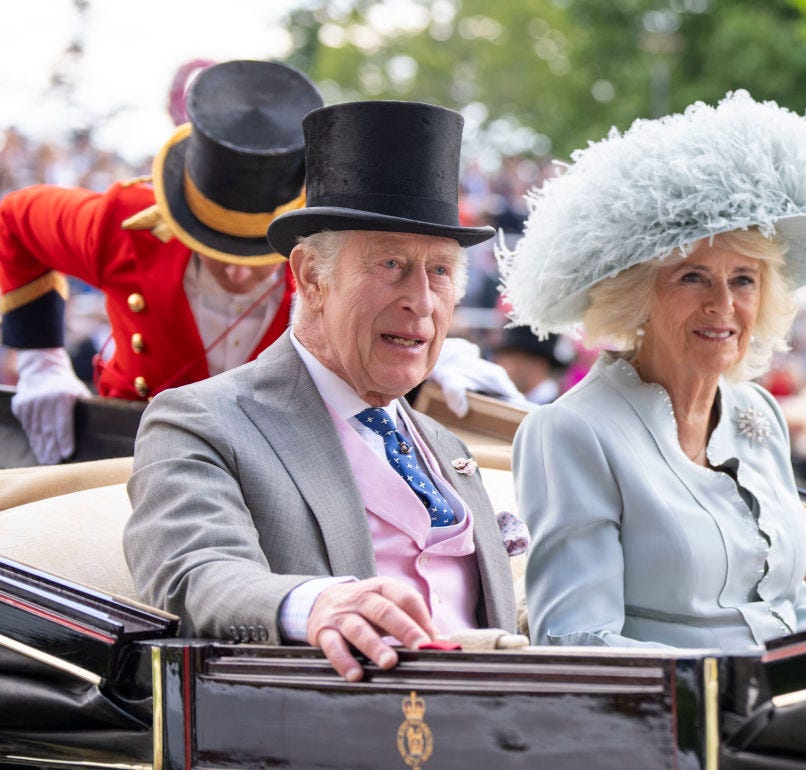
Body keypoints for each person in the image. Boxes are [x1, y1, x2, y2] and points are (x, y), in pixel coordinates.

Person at [124, 100, 517, 682]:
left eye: (439, 272)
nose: (422, 301)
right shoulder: (200, 419)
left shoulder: (443, 443)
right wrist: (315, 605)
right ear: (310, 276)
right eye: (390, 263)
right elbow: (194, 575)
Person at [0, 59, 521, 465]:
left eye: (258, 254)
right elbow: (14, 222)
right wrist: (40, 357)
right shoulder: (124, 223)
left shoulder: (334, 261)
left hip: (273, 459)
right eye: (213, 247)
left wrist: (417, 364)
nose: (238, 273)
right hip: (125, 451)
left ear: (303, 256)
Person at [498, 90, 806, 651]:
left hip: (790, 706)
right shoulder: (572, 432)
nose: (723, 305)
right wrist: (735, 688)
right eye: (693, 276)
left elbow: (788, 609)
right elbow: (577, 642)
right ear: (637, 296)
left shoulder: (757, 411)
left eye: (743, 279)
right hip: (687, 722)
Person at [492, 325, 567, 405]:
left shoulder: (557, 411)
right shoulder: (500, 399)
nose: (500, 363)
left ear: (538, 364)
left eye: (510, 358)